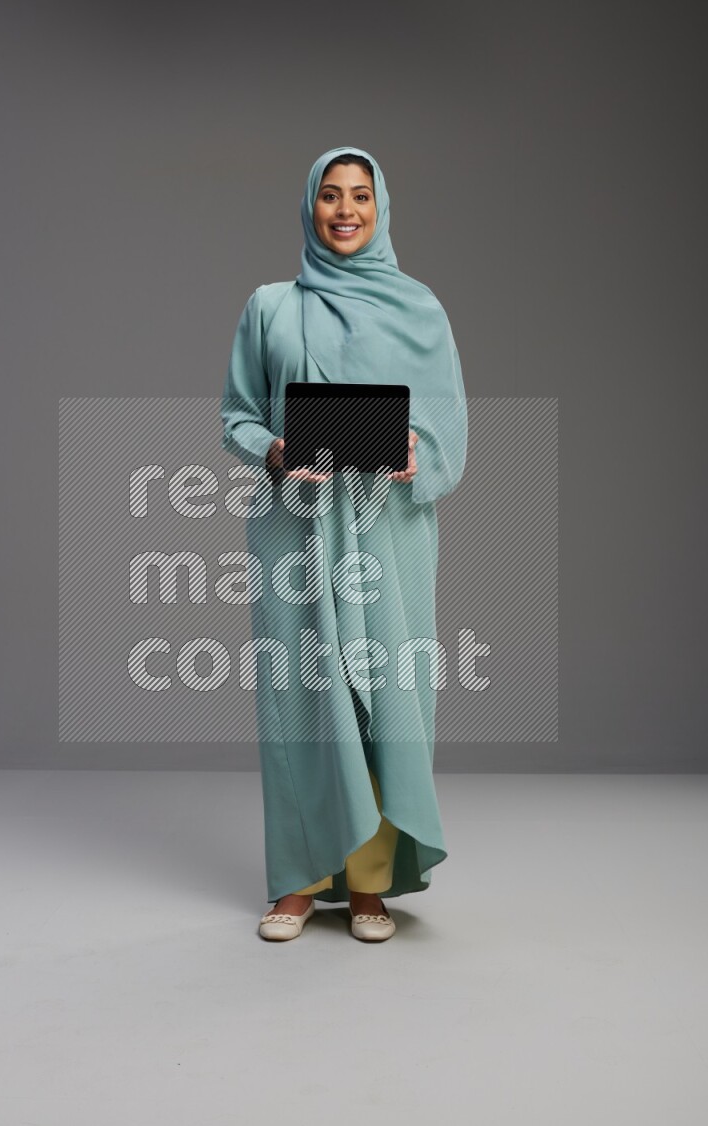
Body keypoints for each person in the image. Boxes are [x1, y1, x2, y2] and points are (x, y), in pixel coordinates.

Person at [219, 145, 467, 942]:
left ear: (382, 206)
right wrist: (275, 450)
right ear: (310, 207)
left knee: (385, 703)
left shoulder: (420, 309)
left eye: (361, 195)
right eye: (331, 195)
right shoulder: (269, 307)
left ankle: (368, 885)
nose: (346, 209)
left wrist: (410, 451)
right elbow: (236, 415)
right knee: (300, 704)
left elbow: (449, 434)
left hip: (387, 535)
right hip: (294, 528)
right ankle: (298, 879)